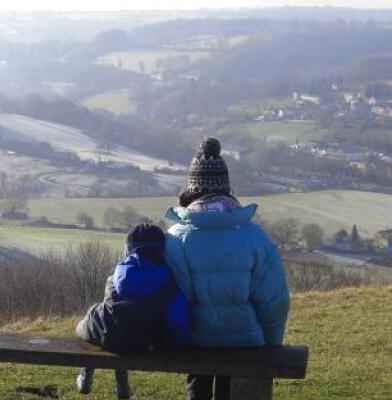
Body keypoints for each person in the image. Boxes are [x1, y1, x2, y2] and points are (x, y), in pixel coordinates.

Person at [164, 137, 290, 400]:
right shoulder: (255, 237)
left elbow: (175, 298)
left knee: (197, 392)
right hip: (245, 343)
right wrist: (270, 343)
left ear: (191, 191)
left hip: (195, 342)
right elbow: (274, 301)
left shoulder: (175, 238)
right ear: (227, 189)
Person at [75, 223, 191, 399]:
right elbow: (177, 321)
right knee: (127, 330)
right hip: (141, 340)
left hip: (103, 331)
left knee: (93, 320)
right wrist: (175, 343)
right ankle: (121, 385)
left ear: (128, 248)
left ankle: (86, 371)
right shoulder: (169, 281)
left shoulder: (116, 275)